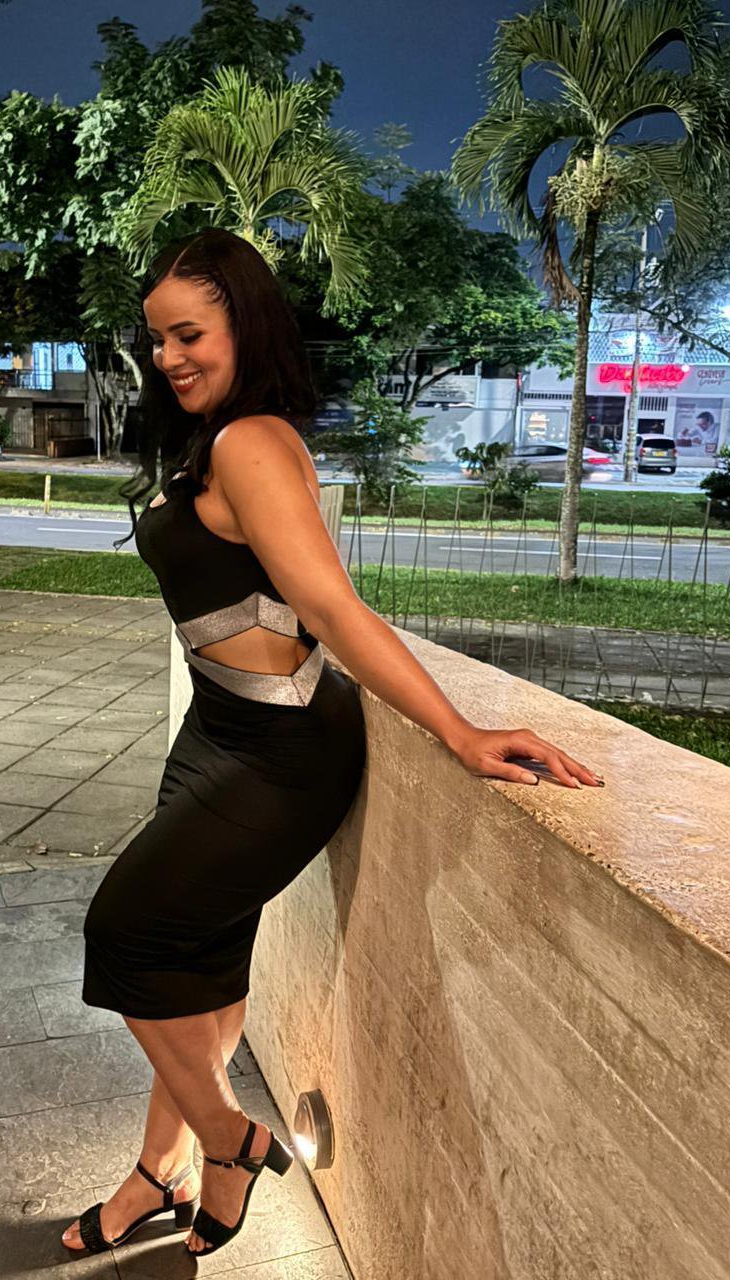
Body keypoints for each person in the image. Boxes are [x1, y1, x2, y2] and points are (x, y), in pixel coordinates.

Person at [62, 228, 603, 1260]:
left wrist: (459, 729)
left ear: (245, 323)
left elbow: (331, 606)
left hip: (279, 748)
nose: (169, 357)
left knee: (124, 934)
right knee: (204, 961)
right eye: (158, 340)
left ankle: (231, 1142)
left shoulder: (249, 443)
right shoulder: (216, 435)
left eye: (189, 335)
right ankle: (160, 1168)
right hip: (220, 724)